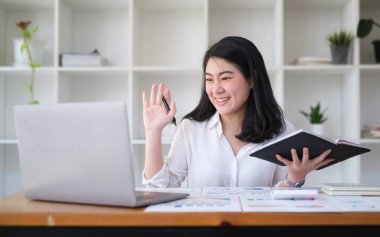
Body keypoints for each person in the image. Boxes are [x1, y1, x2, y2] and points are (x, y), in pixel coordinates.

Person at [142, 36, 333, 188]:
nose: (216, 89)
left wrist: (295, 178)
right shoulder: (191, 129)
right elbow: (160, 188)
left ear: (251, 80)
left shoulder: (281, 131)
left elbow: (280, 202)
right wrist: (153, 132)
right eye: (209, 79)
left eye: (225, 78)